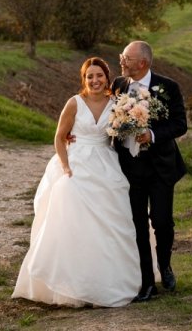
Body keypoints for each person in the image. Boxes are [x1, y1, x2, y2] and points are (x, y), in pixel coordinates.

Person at [12, 57, 140, 307]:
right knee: (73, 223)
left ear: (107, 77)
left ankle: (107, 282)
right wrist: (66, 166)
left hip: (106, 165)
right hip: (77, 164)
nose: (95, 80)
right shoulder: (74, 103)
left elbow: (123, 136)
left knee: (111, 224)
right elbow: (59, 138)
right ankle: (70, 285)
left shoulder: (116, 103)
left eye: (99, 75)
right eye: (90, 76)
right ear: (84, 79)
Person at [113, 40, 188, 302]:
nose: (122, 61)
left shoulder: (168, 87)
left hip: (160, 168)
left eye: (126, 57)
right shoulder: (118, 85)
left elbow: (180, 124)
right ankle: (146, 283)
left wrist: (153, 134)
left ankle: (164, 265)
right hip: (129, 168)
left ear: (142, 62)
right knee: (137, 225)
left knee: (161, 221)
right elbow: (107, 118)